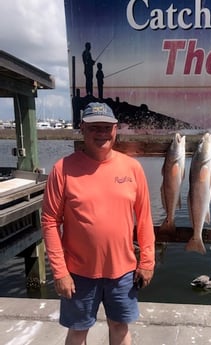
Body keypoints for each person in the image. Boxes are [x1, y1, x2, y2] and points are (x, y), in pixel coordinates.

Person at [41, 102, 155, 345]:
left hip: (123, 271)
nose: (101, 133)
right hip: (78, 272)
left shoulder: (132, 168)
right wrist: (60, 272)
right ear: (82, 128)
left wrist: (147, 261)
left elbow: (144, 218)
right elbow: (50, 222)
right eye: (94, 127)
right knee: (78, 330)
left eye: (106, 127)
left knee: (120, 327)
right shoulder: (62, 169)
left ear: (115, 129)